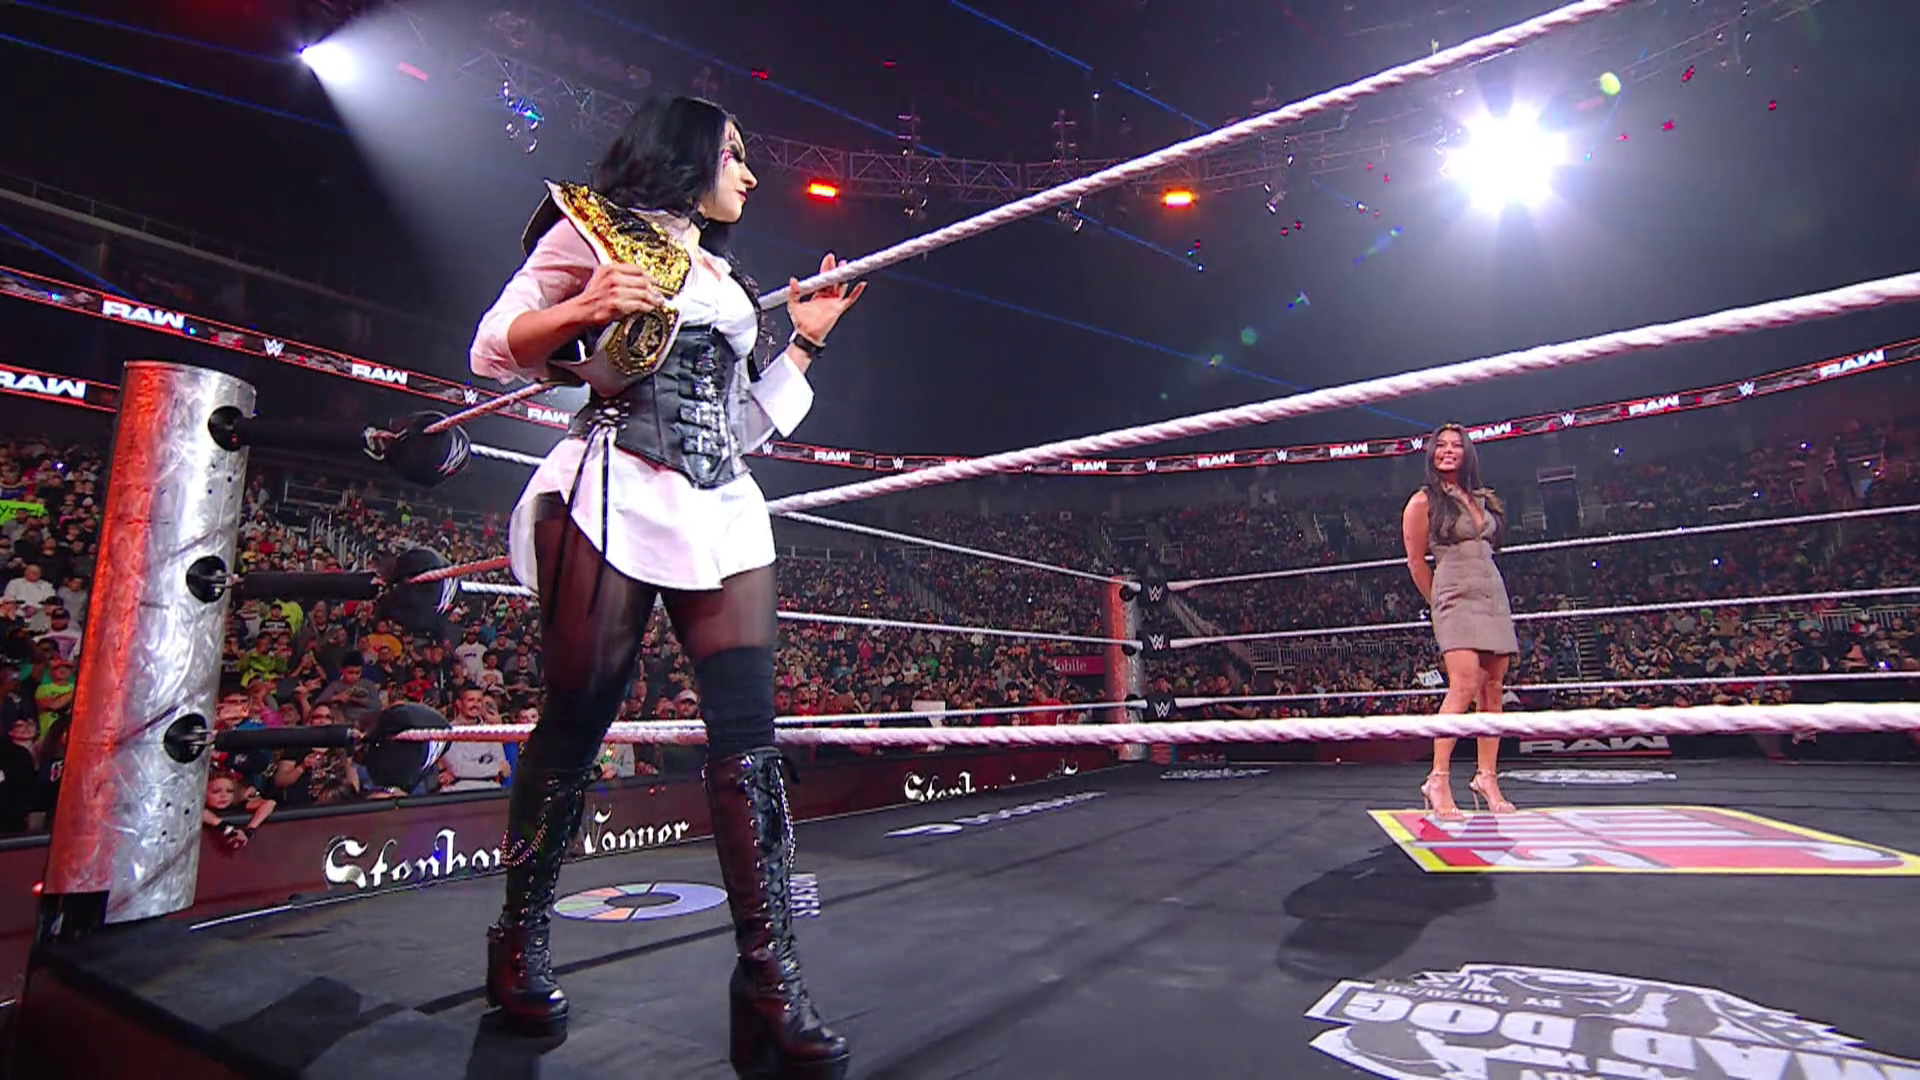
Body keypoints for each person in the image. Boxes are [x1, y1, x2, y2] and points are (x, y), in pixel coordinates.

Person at [468, 95, 866, 1077]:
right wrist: (582, 310)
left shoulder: (726, 280)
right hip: (613, 489)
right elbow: (491, 347)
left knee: (750, 739)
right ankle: (519, 941)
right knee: (578, 720)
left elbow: (738, 428)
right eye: (734, 153)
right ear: (685, 154)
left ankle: (768, 982)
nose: (751, 174)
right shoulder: (591, 229)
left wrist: (804, 342)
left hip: (721, 506)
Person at [1400, 424, 1520, 820]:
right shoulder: (1422, 501)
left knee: (1493, 688)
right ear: (1431, 454)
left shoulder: (1483, 498)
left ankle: (1487, 777)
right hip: (1453, 594)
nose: (1448, 451)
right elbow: (1416, 562)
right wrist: (1438, 601)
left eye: (1456, 446)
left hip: (1491, 592)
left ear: (1467, 453)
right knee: (1464, 683)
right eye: (1441, 446)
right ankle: (1438, 778)